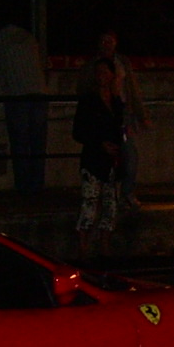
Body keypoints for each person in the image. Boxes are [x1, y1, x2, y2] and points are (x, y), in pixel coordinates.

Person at [0, 19, 50, 194]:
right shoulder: (28, 37)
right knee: (38, 142)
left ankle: (23, 185)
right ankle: (37, 184)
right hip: (38, 93)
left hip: (16, 94)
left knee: (19, 142)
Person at [73, 57, 125, 259]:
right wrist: (100, 143)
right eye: (99, 73)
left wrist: (118, 147)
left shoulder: (116, 101)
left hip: (112, 161)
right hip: (94, 159)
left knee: (111, 206)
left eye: (105, 72)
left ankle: (105, 245)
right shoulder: (88, 101)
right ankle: (83, 246)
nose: (102, 77)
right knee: (90, 203)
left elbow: (120, 129)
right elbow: (78, 132)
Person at [97, 30, 150, 208]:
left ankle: (126, 191)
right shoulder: (94, 65)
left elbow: (133, 90)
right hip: (103, 115)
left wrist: (141, 115)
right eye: (104, 41)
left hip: (123, 115)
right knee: (105, 157)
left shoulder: (122, 63)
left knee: (130, 154)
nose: (107, 45)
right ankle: (106, 194)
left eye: (110, 41)